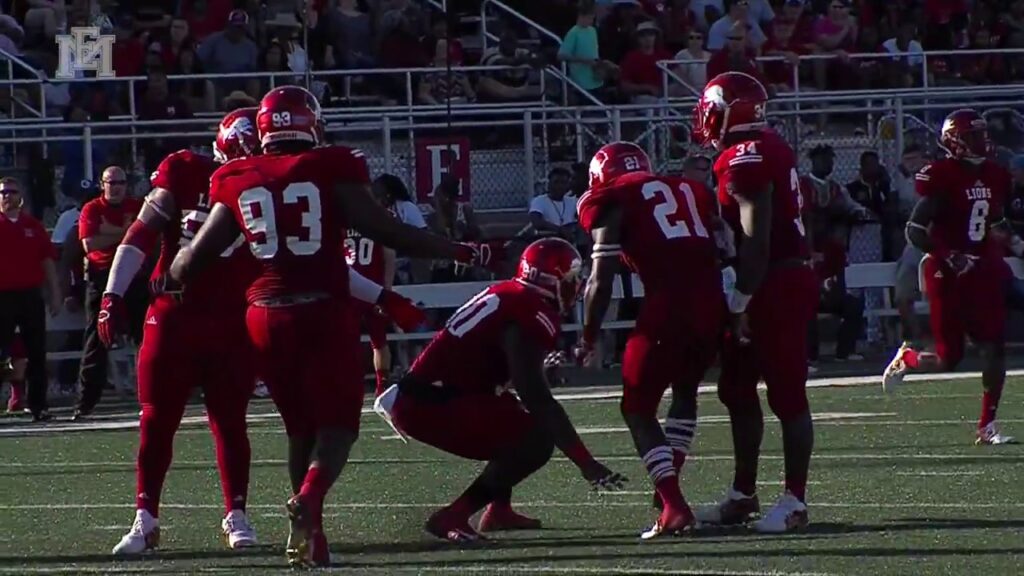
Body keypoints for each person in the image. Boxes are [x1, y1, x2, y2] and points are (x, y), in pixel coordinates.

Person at [167, 86, 489, 568]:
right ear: (310, 123)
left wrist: (175, 256)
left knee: (299, 428)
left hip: (264, 317)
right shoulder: (332, 164)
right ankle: (311, 499)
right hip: (321, 310)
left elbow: (189, 266)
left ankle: (310, 538)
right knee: (338, 426)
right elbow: (385, 229)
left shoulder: (234, 176)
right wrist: (453, 249)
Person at [375, 238, 626, 543]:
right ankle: (452, 515)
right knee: (536, 439)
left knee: (511, 414)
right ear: (551, 280)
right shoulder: (530, 310)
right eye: (570, 279)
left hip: (430, 393)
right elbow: (538, 399)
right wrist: (587, 463)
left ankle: (499, 510)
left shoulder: (512, 294)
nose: (575, 286)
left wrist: (534, 373)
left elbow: (493, 367)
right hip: (427, 402)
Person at [102, 109, 263, 555]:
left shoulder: (274, 181)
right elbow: (139, 233)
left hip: (231, 319)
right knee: (156, 419)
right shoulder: (186, 171)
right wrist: (112, 293)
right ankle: (145, 517)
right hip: (174, 316)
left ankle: (237, 512)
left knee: (230, 422)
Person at [576, 142, 722, 538]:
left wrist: (588, 337)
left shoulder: (613, 198)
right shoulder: (689, 189)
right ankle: (668, 488)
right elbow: (722, 244)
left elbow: (600, 279)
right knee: (685, 390)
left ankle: (672, 502)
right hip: (714, 301)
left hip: (668, 305)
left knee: (636, 407)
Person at [692, 72, 818, 532]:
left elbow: (757, 239)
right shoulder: (765, 146)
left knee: (786, 395)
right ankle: (743, 494)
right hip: (771, 277)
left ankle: (795, 501)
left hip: (773, 283)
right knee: (737, 388)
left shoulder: (745, 157)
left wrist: (740, 301)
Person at [882, 109, 1021, 446]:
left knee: (994, 346)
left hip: (984, 267)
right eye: (972, 135)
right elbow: (915, 230)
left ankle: (987, 424)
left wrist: (1017, 243)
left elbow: (996, 222)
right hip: (947, 270)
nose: (981, 141)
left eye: (981, 134)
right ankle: (910, 358)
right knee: (949, 358)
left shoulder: (995, 174)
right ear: (954, 141)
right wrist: (950, 254)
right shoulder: (942, 176)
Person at [76, 167, 145, 419]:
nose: (115, 187)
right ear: (101, 184)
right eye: (110, 182)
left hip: (133, 274)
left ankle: (149, 397)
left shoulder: (137, 206)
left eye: (120, 182)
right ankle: (85, 403)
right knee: (96, 337)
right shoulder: (92, 209)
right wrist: (127, 232)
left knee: (144, 335)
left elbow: (148, 237)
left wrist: (109, 233)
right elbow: (89, 243)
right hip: (102, 275)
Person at [0, 177, 62, 422]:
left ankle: (38, 405)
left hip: (29, 295)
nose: (7, 196)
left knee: (36, 351)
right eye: (3, 192)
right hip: (1, 296)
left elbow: (47, 261)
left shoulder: (33, 226)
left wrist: (55, 294)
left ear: (20, 196)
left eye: (11, 192)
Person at [345, 219, 397, 398]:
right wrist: (387, 288)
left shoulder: (340, 220)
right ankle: (381, 383)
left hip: (353, 288)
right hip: (371, 288)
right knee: (378, 340)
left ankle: (378, 383)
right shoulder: (372, 221)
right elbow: (389, 255)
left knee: (375, 339)